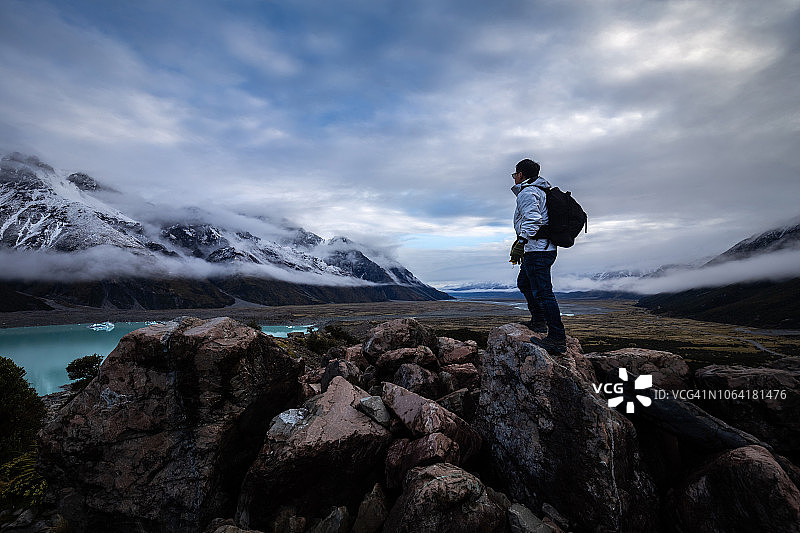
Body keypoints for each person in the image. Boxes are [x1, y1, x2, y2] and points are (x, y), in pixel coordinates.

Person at [509, 158, 567, 354]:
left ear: (521, 174)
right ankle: (539, 321)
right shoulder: (539, 190)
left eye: (515, 174)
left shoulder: (528, 192)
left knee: (543, 293)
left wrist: (522, 242)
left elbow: (534, 220)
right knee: (525, 283)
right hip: (540, 248)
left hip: (537, 250)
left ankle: (557, 338)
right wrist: (521, 243)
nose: (514, 178)